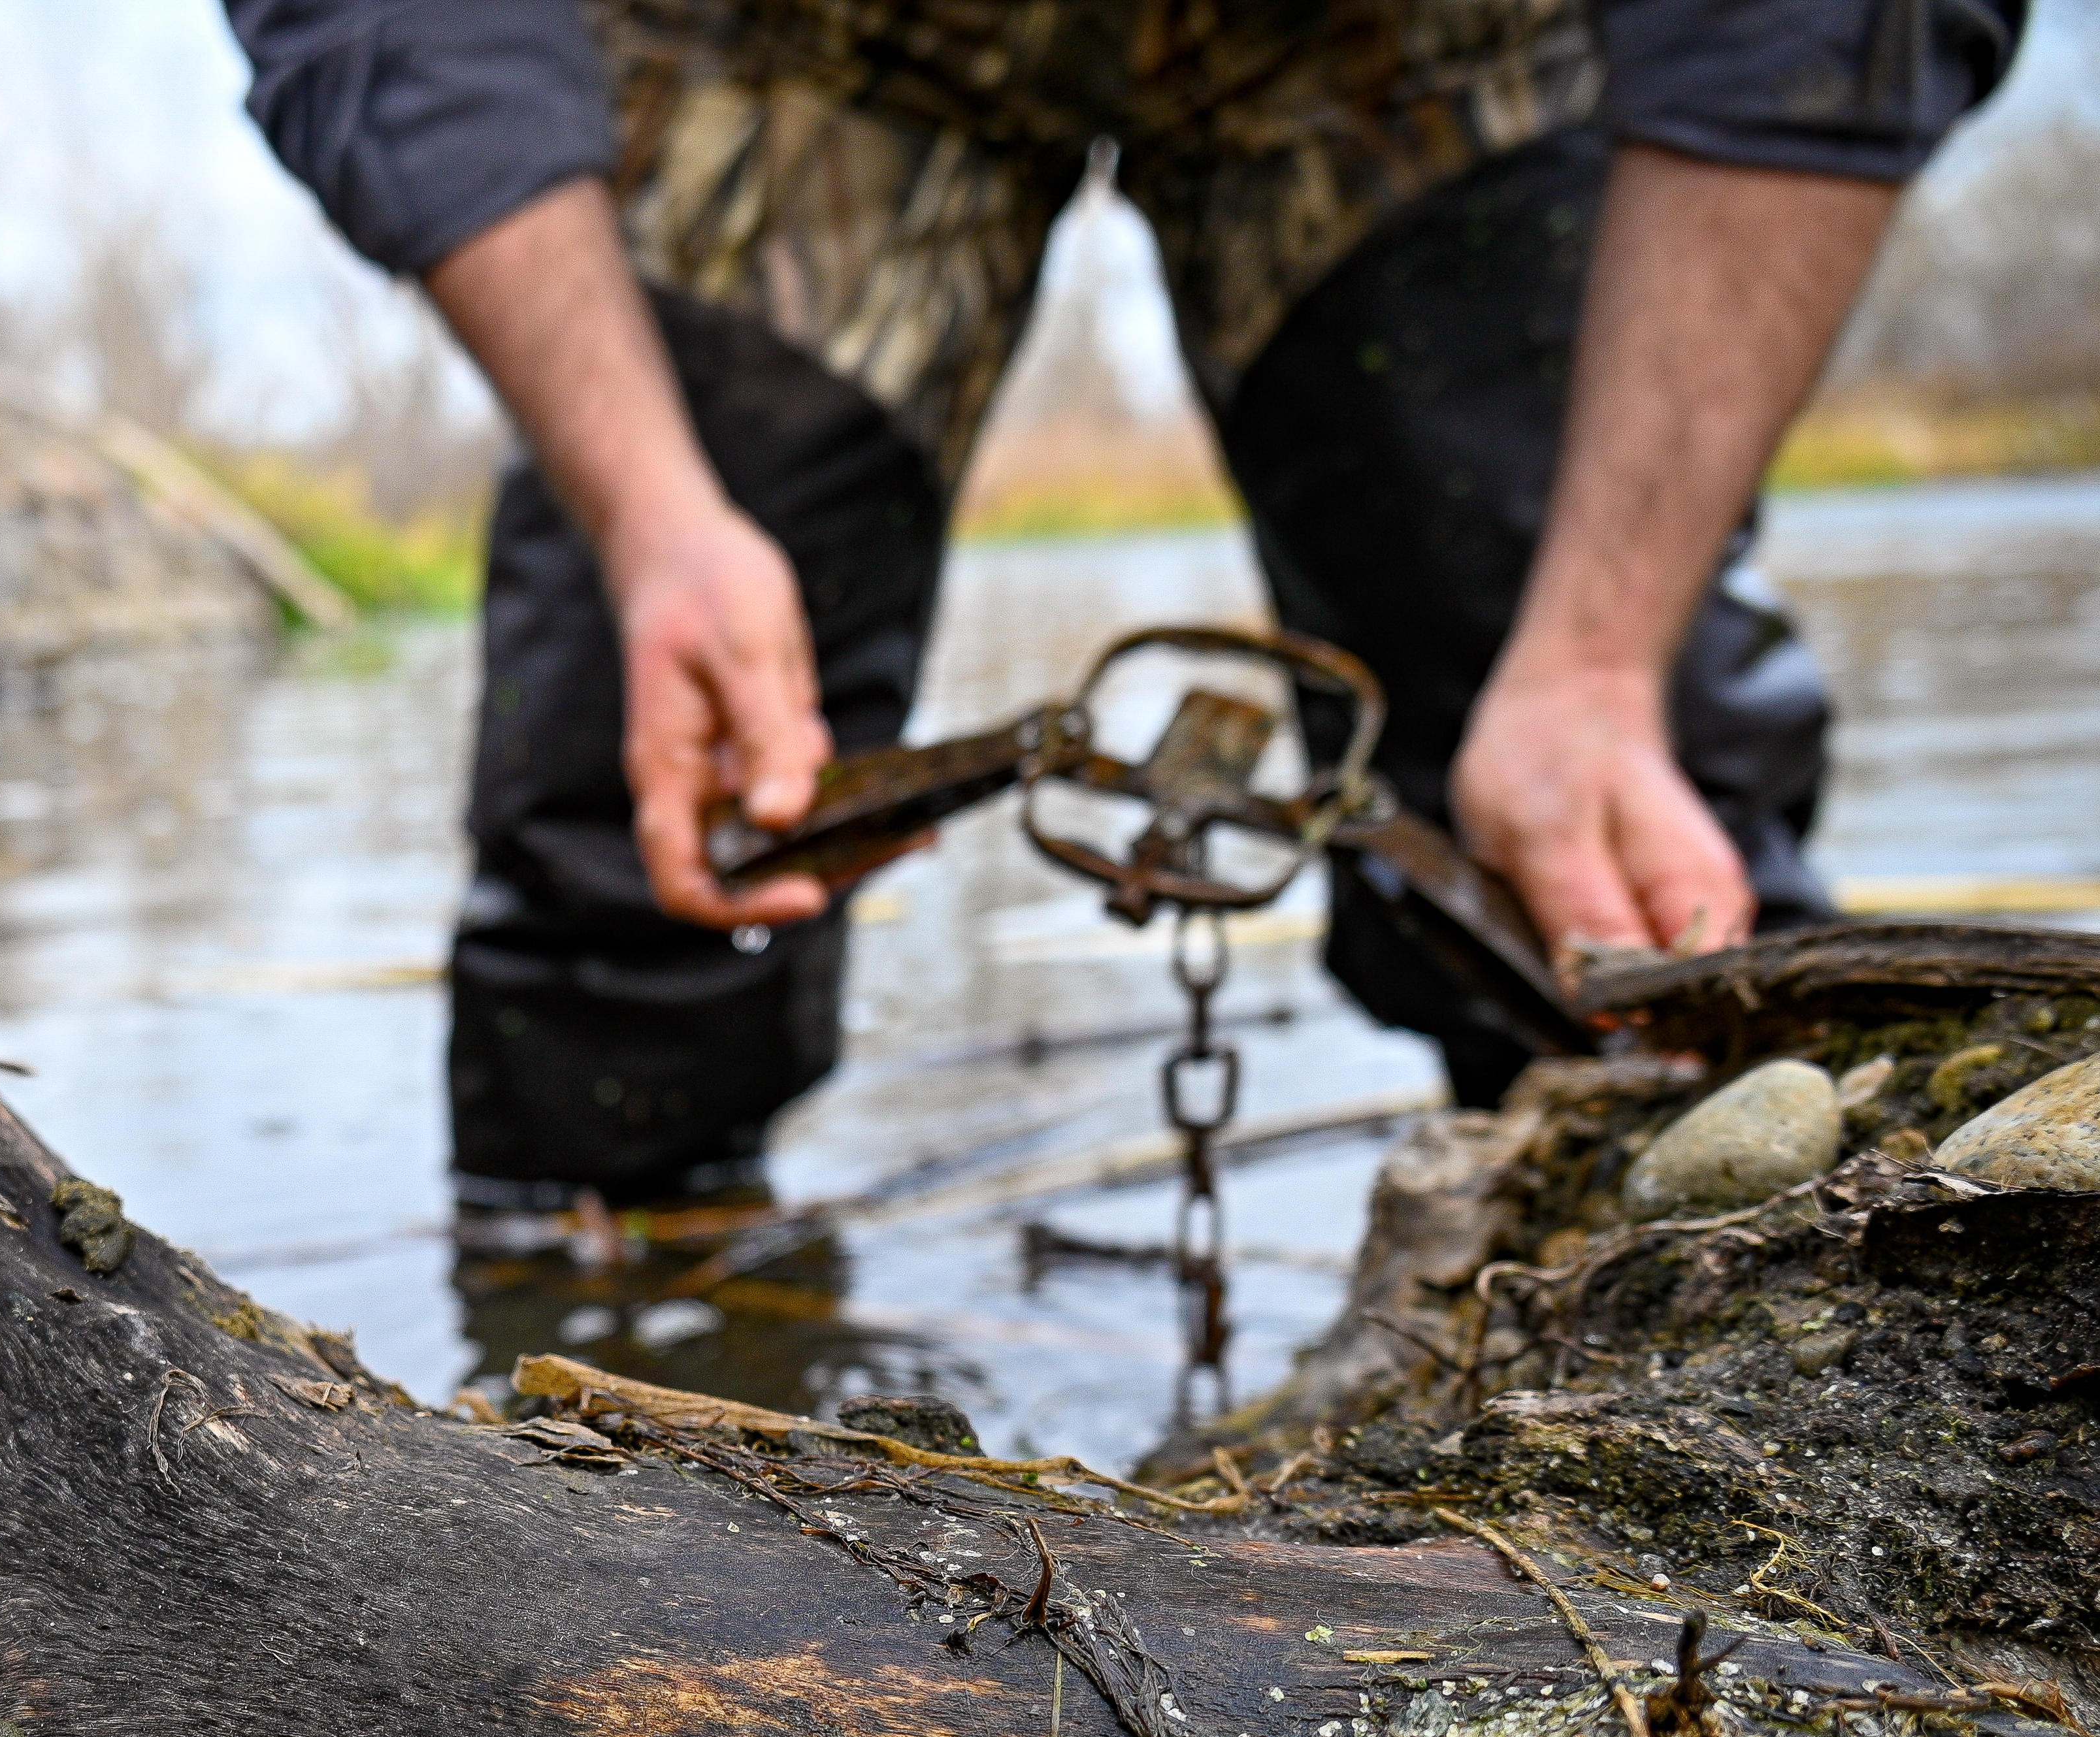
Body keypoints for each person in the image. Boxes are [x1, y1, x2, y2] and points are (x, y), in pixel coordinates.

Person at [221, 0, 2025, 1215]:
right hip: (801, 42)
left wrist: (1600, 648)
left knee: (1618, 866)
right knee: (640, 860)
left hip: (1396, 37)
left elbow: (1817, 28)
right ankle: (594, 1363)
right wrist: (656, 511)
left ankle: (1668, 1301)